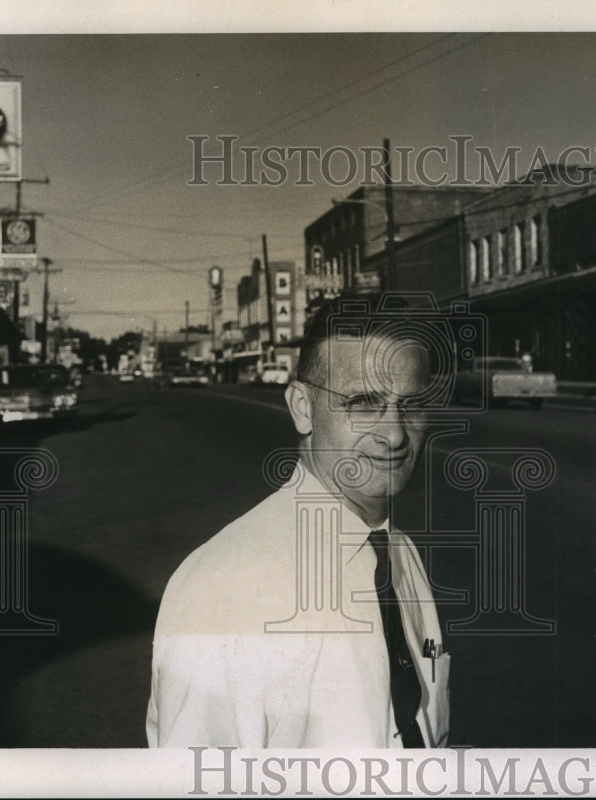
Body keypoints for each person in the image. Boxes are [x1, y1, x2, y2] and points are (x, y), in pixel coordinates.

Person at [146, 296, 450, 748]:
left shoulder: (399, 555)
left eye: (412, 405)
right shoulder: (221, 584)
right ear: (303, 408)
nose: (395, 434)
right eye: (364, 403)